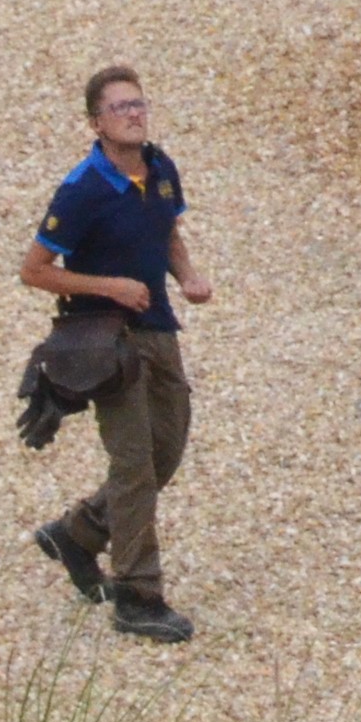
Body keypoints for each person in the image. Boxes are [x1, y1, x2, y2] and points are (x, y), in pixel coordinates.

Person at [18, 64, 212, 643]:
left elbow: (167, 232)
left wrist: (189, 276)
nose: (134, 114)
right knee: (133, 465)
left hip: (159, 330)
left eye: (139, 104)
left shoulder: (159, 168)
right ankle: (137, 595)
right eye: (121, 107)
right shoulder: (82, 190)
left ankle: (78, 532)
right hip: (108, 342)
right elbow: (35, 271)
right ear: (96, 122)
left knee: (166, 451)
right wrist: (111, 287)